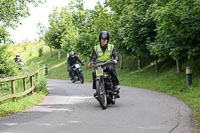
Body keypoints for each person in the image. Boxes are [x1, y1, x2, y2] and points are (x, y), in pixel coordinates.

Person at [88, 31, 120, 96]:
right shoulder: (96, 48)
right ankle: (97, 90)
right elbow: (93, 57)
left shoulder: (111, 46)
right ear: (100, 39)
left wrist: (115, 59)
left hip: (109, 63)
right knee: (94, 73)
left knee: (111, 70)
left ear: (107, 39)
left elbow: (116, 54)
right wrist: (91, 63)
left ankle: (115, 87)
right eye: (102, 39)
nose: (104, 40)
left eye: (105, 39)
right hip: (99, 64)